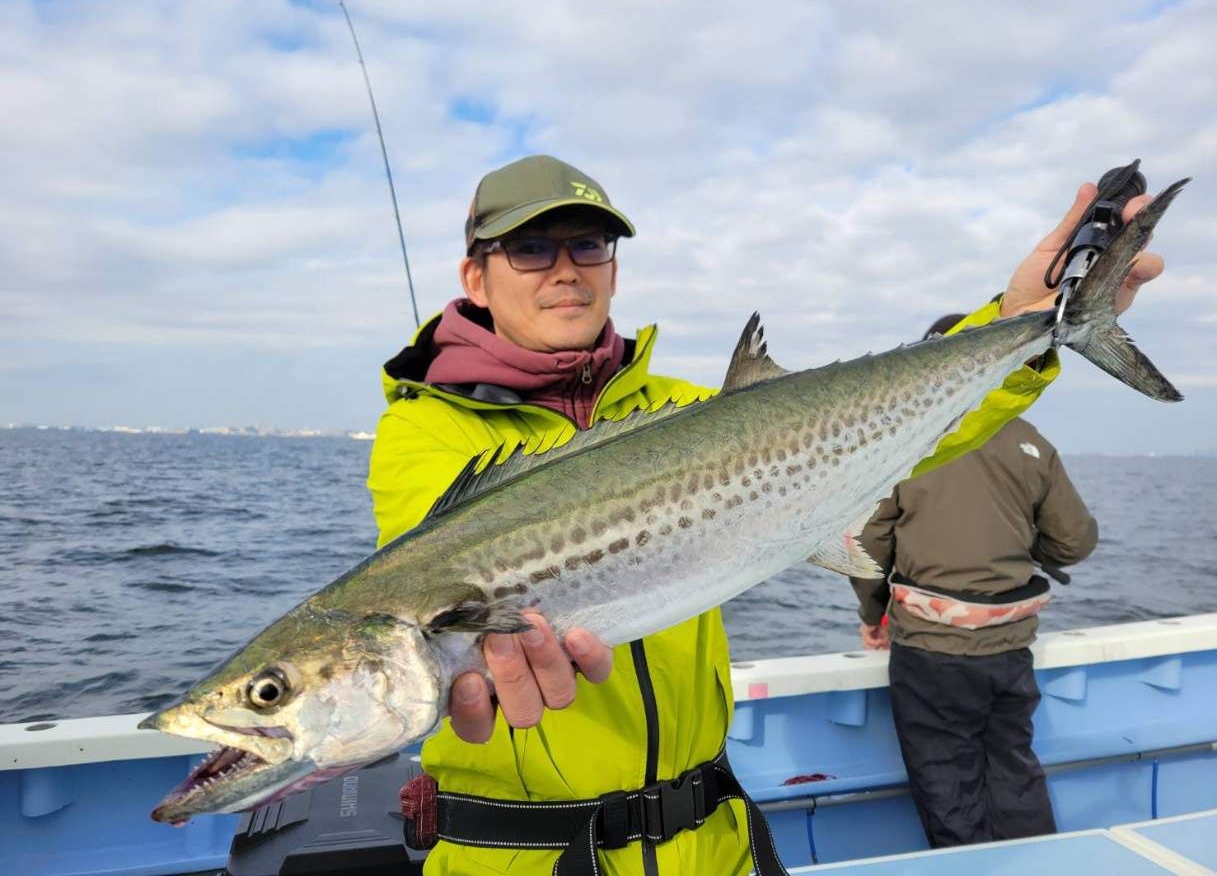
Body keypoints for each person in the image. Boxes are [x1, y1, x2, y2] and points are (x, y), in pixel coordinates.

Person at [367, 154, 1164, 875]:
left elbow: (901, 439)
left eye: (588, 245)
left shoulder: (689, 408)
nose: (566, 270)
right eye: (531, 249)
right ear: (475, 278)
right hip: (524, 857)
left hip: (714, 841)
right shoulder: (424, 432)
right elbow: (437, 577)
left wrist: (1021, 322)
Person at [851, 313, 1099, 849]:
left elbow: (868, 544)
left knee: (946, 786)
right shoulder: (1030, 442)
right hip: (1009, 651)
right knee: (1015, 771)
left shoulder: (905, 446)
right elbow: (1075, 543)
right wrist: (1023, 542)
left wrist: (873, 615)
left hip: (929, 654)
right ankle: (1037, 864)